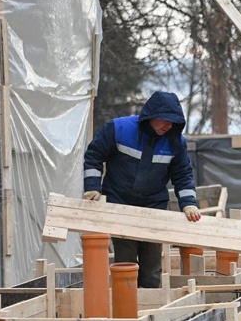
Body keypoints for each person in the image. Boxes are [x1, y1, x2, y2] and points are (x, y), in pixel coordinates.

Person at [83, 91, 201, 288]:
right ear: (151, 116)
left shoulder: (175, 142)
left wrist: (189, 204)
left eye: (173, 122)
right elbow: (94, 156)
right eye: (165, 120)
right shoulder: (118, 129)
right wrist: (93, 188)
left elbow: (183, 175)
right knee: (126, 261)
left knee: (152, 267)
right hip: (120, 203)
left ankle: (150, 311)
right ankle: (126, 307)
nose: (168, 125)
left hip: (153, 207)